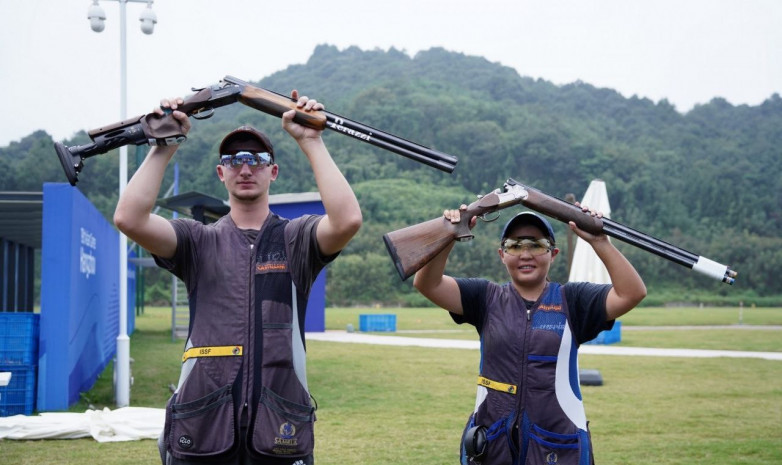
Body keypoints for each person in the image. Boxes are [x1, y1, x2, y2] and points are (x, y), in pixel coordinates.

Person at [114, 91, 362, 465]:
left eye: (257, 160)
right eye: (233, 160)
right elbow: (129, 218)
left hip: (280, 433)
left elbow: (347, 221)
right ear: (221, 172)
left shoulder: (296, 239)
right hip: (202, 431)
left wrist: (311, 140)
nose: (245, 168)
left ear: (273, 171)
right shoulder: (198, 240)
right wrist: (164, 145)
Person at [412, 205, 646, 465]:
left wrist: (599, 240)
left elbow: (632, 292)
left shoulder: (573, 300)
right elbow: (427, 283)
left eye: (536, 245)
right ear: (502, 254)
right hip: (492, 446)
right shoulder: (485, 298)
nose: (525, 254)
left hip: (557, 448)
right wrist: (448, 236)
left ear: (552, 254)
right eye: (514, 245)